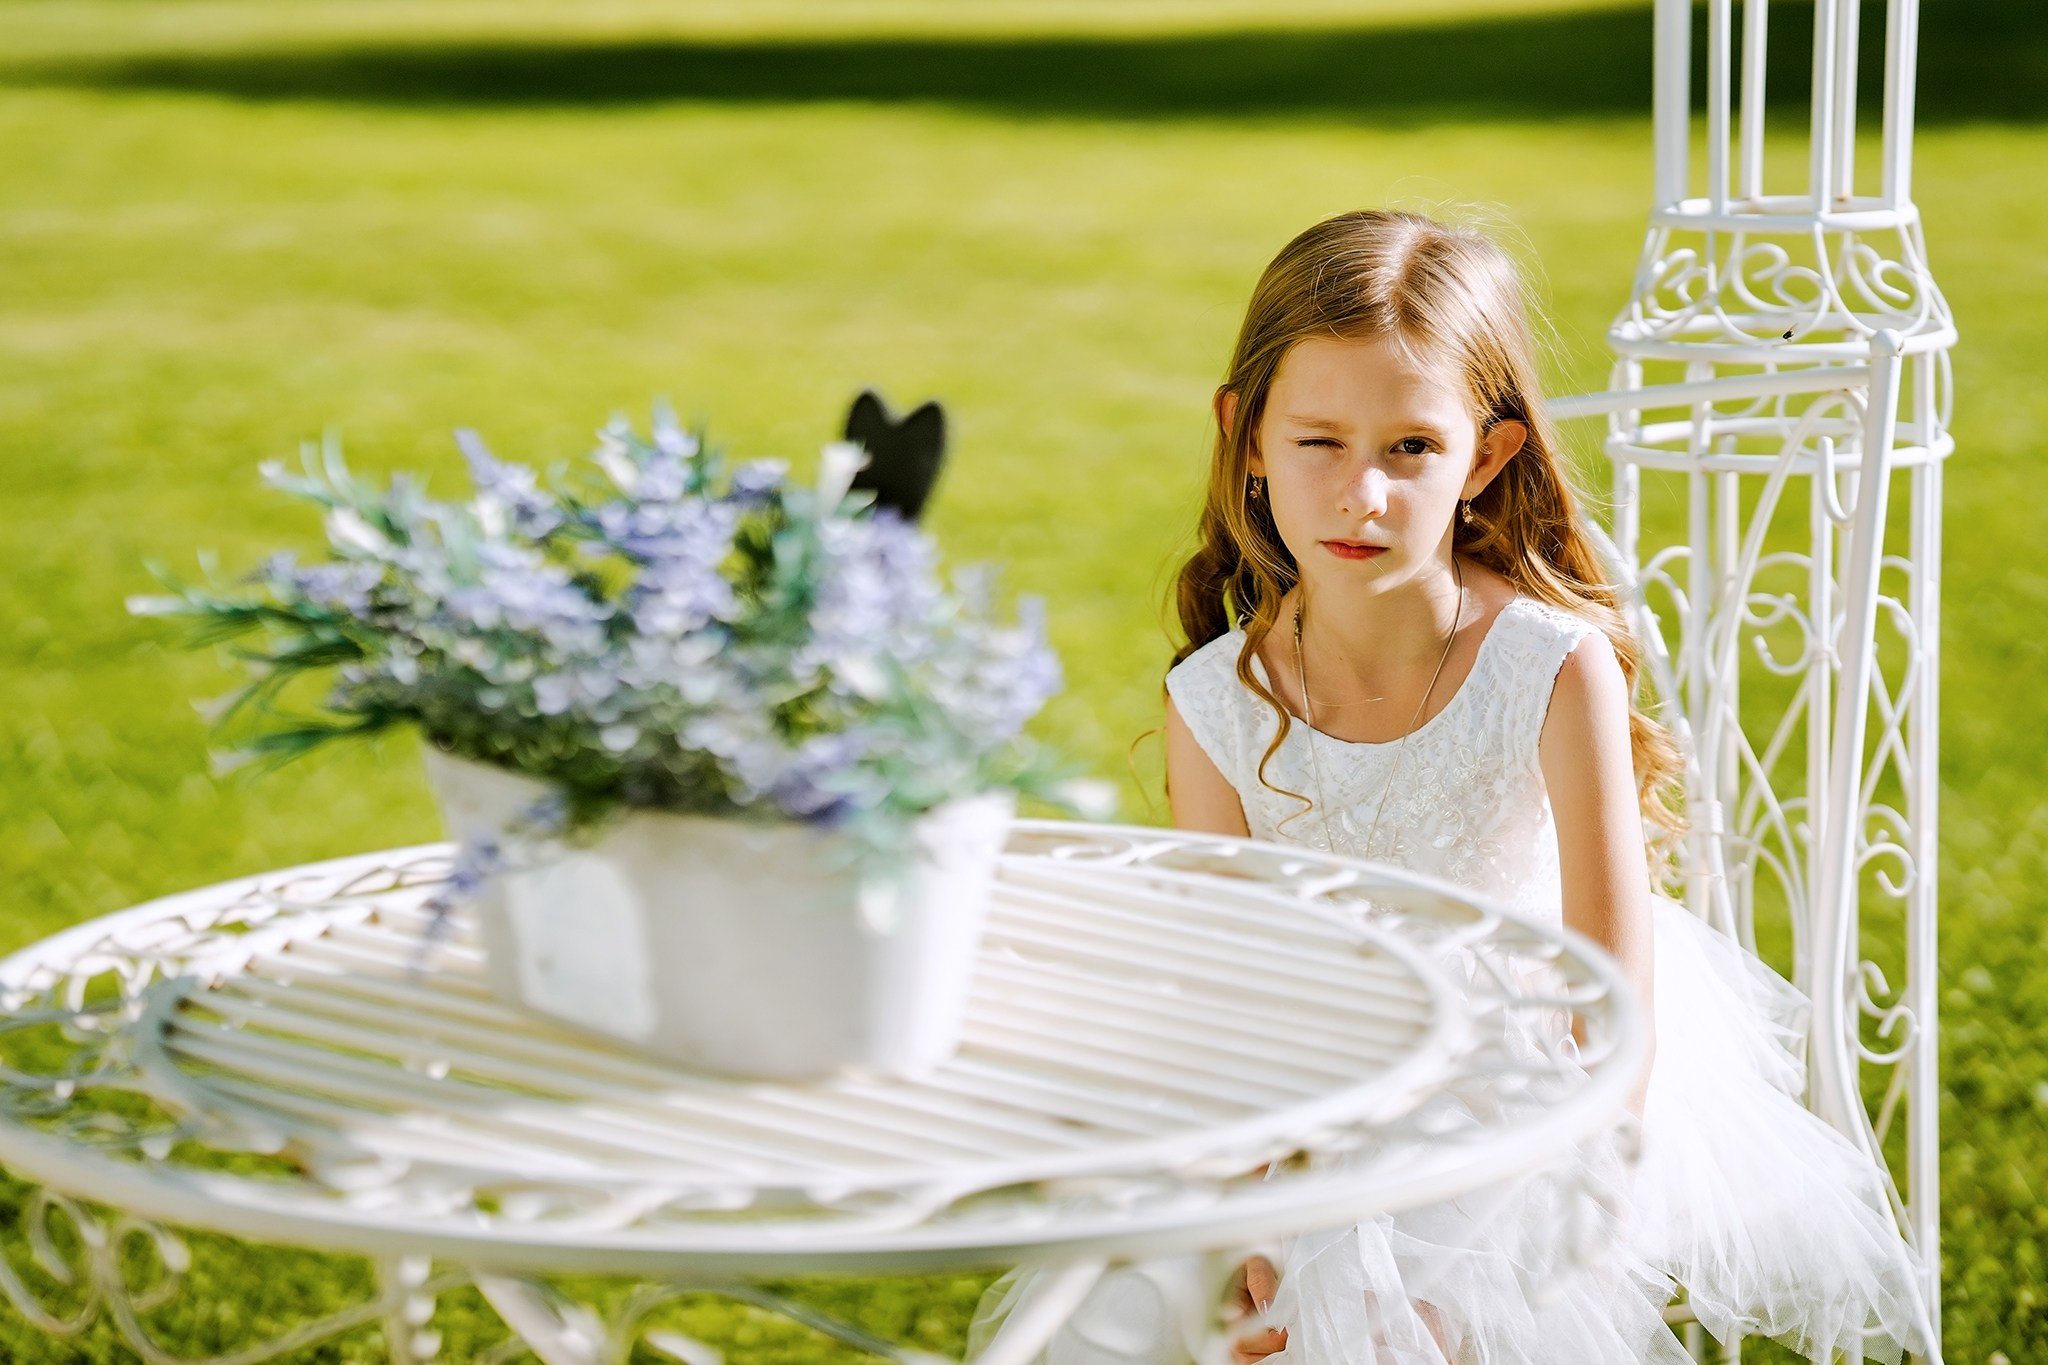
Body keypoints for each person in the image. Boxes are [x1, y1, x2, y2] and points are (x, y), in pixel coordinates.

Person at [973, 210, 1931, 1365]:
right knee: (1155, 1315)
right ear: (1246, 438)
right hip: (1301, 1072)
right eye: (1318, 442)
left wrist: (1560, 1210)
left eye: (1409, 449)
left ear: (1484, 456)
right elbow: (1222, 988)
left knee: (1397, 1321)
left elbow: (1608, 982)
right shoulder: (1215, 703)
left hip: (1521, 1076)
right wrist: (1245, 1217)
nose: (1361, 494)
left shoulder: (1544, 665)